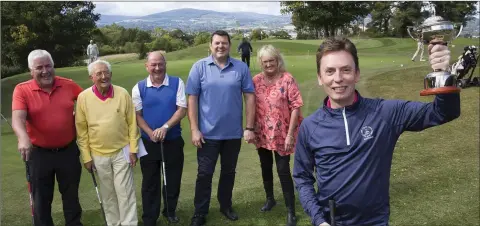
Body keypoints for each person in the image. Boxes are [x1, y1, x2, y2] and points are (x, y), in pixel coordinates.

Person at [293, 37, 460, 226]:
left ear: (356, 74)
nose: (338, 78)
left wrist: (443, 73)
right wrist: (318, 220)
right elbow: (302, 177)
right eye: (330, 71)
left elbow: (444, 112)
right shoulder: (310, 126)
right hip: (330, 221)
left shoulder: (385, 113)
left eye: (346, 70)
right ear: (320, 77)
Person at [186, 30, 256, 226]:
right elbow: (192, 99)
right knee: (204, 174)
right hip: (207, 134)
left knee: (228, 172)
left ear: (229, 46)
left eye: (224, 43)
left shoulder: (241, 68)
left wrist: (249, 127)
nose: (220, 46)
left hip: (233, 133)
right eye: (217, 43)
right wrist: (194, 129)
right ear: (210, 45)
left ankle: (225, 205)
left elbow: (249, 97)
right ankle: (200, 212)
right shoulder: (199, 67)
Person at [11, 49, 84, 226]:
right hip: (38, 154)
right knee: (41, 201)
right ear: (31, 71)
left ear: (53, 66)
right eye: (39, 67)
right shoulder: (22, 90)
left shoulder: (68, 85)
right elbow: (18, 119)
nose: (45, 71)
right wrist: (23, 138)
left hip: (68, 151)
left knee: (71, 198)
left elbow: (89, 103)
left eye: (48, 66)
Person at [75, 59, 140, 226]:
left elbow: (132, 123)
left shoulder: (122, 93)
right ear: (91, 77)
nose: (104, 76)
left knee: (125, 192)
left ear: (111, 74)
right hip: (97, 154)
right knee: (108, 194)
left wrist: (133, 149)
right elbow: (81, 131)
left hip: (121, 151)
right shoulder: (83, 97)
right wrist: (86, 157)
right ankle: (113, 223)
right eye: (99, 74)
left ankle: (129, 224)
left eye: (106, 73)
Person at [132, 50, 187, 225]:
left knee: (172, 179)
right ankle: (150, 216)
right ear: (146, 66)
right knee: (150, 182)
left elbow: (181, 109)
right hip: (148, 143)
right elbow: (137, 115)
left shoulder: (177, 83)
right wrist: (150, 132)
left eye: (160, 64)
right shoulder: (139, 87)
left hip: (172, 140)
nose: (157, 68)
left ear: (165, 65)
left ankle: (170, 211)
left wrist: (165, 127)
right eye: (153, 64)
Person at [252, 44, 304, 226]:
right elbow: (250, 105)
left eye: (271, 60)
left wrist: (290, 135)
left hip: (282, 133)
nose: (268, 65)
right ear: (261, 63)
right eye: (265, 62)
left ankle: (291, 210)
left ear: (277, 60)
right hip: (262, 133)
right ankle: (270, 199)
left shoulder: (287, 79)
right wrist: (249, 128)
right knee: (265, 167)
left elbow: (296, 106)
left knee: (283, 170)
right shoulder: (256, 80)